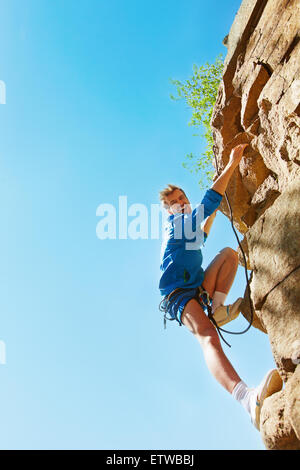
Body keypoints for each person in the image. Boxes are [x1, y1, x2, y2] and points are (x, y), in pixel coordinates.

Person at [158, 144, 283, 430]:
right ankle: (246, 399)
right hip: (178, 295)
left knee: (229, 254)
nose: (181, 203)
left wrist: (220, 191)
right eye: (175, 202)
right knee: (208, 338)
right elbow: (207, 206)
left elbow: (205, 226)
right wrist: (230, 165)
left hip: (197, 288)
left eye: (182, 198)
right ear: (169, 212)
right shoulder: (177, 225)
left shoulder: (191, 230)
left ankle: (216, 309)